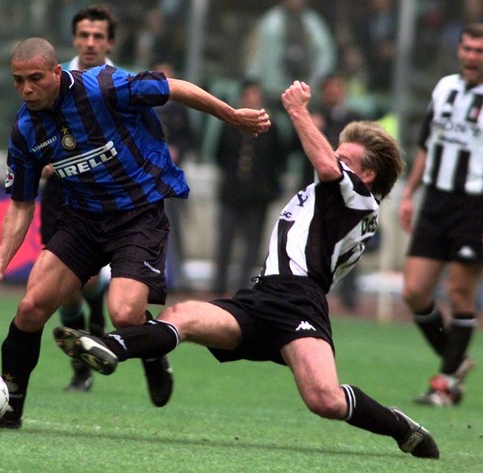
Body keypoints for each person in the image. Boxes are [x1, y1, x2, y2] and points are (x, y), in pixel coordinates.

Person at [53, 81, 440, 460]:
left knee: (325, 400)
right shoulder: (336, 193)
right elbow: (325, 164)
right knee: (182, 316)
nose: (334, 159)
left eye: (346, 158)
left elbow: (324, 163)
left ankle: (398, 425)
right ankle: (110, 346)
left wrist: (298, 110)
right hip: (263, 295)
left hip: (299, 303)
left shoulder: (360, 199)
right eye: (337, 153)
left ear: (367, 175)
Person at [0, 37, 271, 429]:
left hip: (137, 215)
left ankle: (152, 351)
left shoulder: (104, 87)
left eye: (35, 78)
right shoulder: (26, 129)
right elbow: (21, 203)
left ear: (57, 74)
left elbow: (173, 87)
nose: (26, 89)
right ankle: (10, 409)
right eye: (17, 81)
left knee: (125, 313)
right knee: (29, 309)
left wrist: (231, 115)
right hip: (81, 221)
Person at [398, 23, 483, 407]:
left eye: (478, 51)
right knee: (414, 290)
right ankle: (457, 359)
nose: (470, 57)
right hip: (436, 199)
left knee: (459, 292)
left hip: (474, 205)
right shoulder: (445, 87)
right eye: (466, 49)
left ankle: (445, 383)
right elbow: (426, 146)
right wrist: (409, 193)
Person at [39, 4, 117, 392]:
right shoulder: (53, 81)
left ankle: (88, 356)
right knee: (66, 285)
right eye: (84, 35)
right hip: (61, 193)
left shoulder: (119, 85)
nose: (90, 43)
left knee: (81, 275)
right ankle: (87, 351)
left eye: (98, 36)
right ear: (74, 39)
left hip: (106, 193)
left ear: (109, 42)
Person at [212, 79, 285, 294]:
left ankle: (243, 286)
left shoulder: (270, 127)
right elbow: (220, 154)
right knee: (225, 240)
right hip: (232, 191)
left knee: (252, 245)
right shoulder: (230, 124)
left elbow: (278, 159)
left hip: (257, 195)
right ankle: (219, 285)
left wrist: (268, 187)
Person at [311, 73, 365, 310]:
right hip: (317, 190)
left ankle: (349, 296)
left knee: (349, 240)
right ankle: (311, 291)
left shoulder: (354, 120)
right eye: (329, 88)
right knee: (312, 241)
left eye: (337, 87)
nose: (334, 92)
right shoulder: (314, 117)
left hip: (346, 191)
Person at [153, 61, 196, 291]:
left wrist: (178, 149)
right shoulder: (143, 104)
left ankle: (177, 277)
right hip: (146, 177)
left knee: (174, 226)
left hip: (171, 177)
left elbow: (191, 138)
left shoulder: (180, 108)